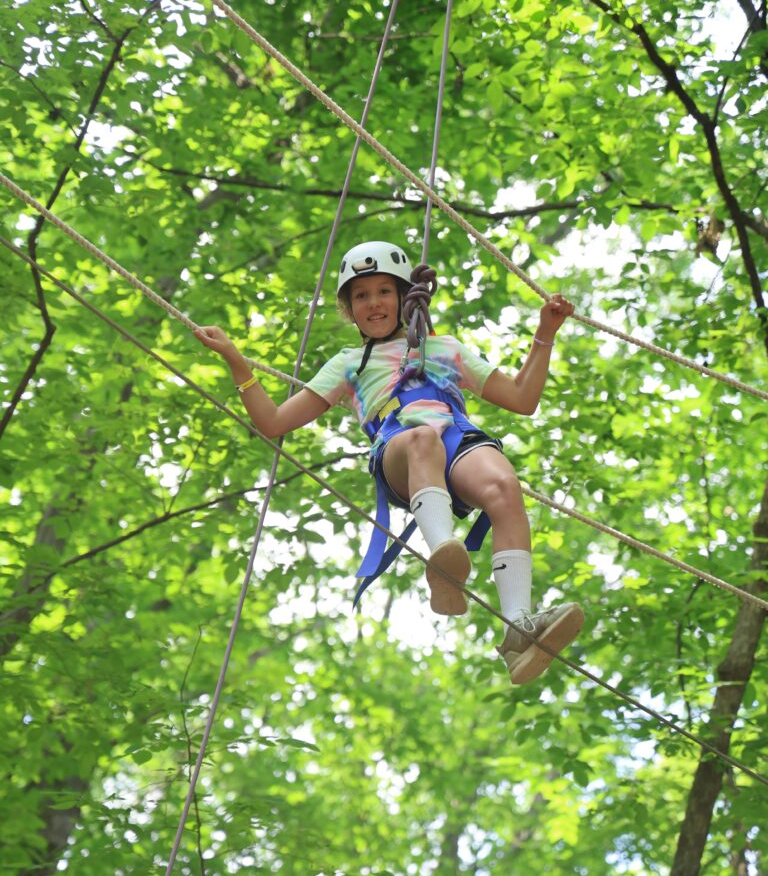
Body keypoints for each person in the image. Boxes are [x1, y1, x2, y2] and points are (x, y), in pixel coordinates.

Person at [194, 239, 583, 685]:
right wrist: (236, 362)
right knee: (421, 439)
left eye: (383, 291)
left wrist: (545, 334)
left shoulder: (445, 349)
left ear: (403, 296)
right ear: (350, 309)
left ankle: (519, 629)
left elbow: (521, 398)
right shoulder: (347, 364)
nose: (374, 303)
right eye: (361, 296)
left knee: (504, 485)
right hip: (401, 447)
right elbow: (275, 422)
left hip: (456, 439)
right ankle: (443, 555)